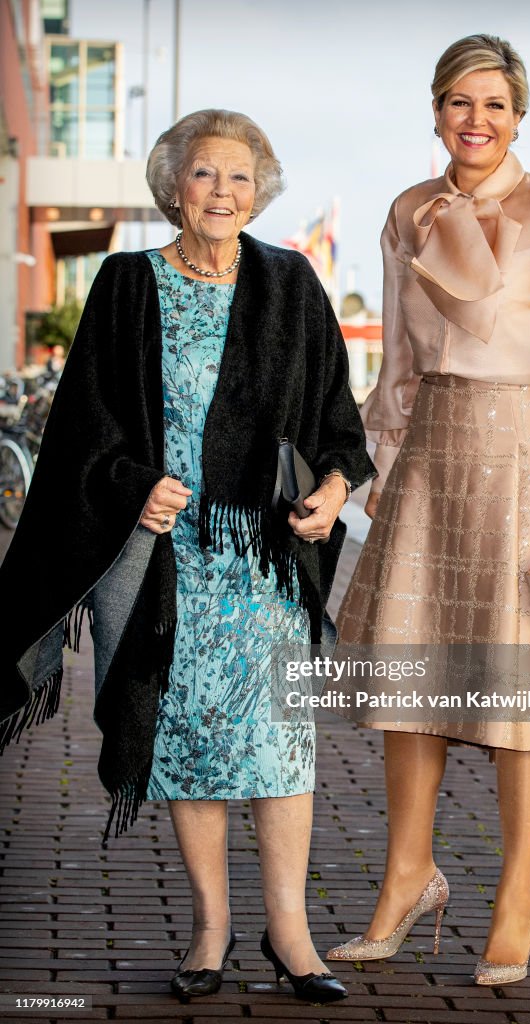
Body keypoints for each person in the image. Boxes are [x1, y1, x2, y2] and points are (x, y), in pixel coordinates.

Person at [0, 109, 374, 1004]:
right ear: (173, 186)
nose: (222, 193)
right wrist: (134, 482)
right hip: (168, 558)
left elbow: (337, 424)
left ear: (260, 191)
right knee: (187, 743)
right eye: (205, 174)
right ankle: (211, 929)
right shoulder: (128, 284)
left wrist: (331, 491)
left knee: (280, 747)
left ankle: (292, 935)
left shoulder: (291, 282)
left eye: (240, 177)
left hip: (265, 560)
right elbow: (84, 425)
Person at [326, 35, 530, 985]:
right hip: (434, 452)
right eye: (460, 102)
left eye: (495, 104)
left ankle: (516, 893)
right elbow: (397, 368)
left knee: (526, 684)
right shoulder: (403, 214)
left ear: (517, 117)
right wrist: (386, 460)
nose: (476, 120)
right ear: (434, 112)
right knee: (413, 683)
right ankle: (406, 877)